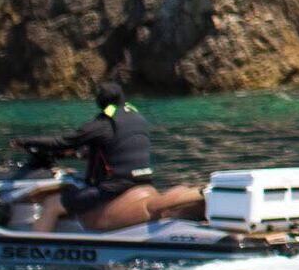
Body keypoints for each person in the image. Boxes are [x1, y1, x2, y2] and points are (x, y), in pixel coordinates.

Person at [18, 80, 202, 234]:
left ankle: (34, 248)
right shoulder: (137, 118)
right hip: (141, 182)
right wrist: (78, 154)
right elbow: (117, 150)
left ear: (100, 101)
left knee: (53, 203)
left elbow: (62, 141)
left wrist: (26, 141)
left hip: (113, 188)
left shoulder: (102, 124)